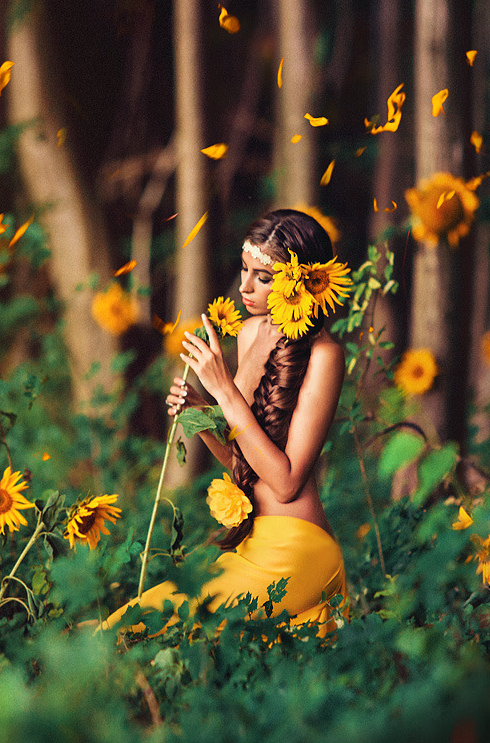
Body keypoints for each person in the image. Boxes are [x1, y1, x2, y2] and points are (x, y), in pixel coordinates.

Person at [104, 209, 348, 635]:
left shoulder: (324, 355)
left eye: (263, 276)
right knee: (134, 618)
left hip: (300, 549)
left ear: (301, 282)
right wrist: (200, 410)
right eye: (244, 269)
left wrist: (224, 392)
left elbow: (286, 482)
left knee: (181, 628)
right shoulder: (250, 333)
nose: (245, 286)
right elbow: (243, 462)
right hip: (253, 543)